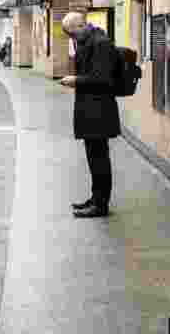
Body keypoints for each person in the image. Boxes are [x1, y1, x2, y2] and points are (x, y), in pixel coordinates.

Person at [58, 11, 119, 218]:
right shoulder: (89, 42)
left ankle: (101, 205)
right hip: (91, 110)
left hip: (99, 112)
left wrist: (75, 80)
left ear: (79, 26)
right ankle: (95, 198)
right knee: (94, 158)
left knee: (100, 160)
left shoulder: (100, 43)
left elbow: (103, 79)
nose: (71, 38)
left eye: (71, 33)